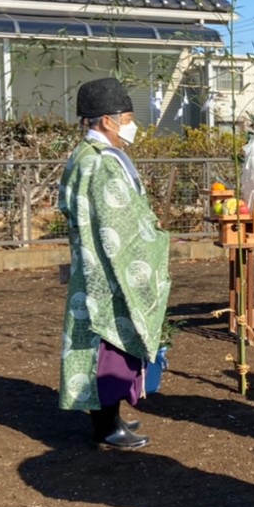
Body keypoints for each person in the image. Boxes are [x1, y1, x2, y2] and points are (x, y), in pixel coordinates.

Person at [58, 77, 171, 451]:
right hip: (109, 270)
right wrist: (154, 240)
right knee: (108, 347)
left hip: (92, 263)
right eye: (127, 117)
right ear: (107, 121)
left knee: (103, 345)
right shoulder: (102, 163)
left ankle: (111, 417)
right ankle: (106, 425)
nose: (131, 126)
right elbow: (118, 223)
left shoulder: (83, 155)